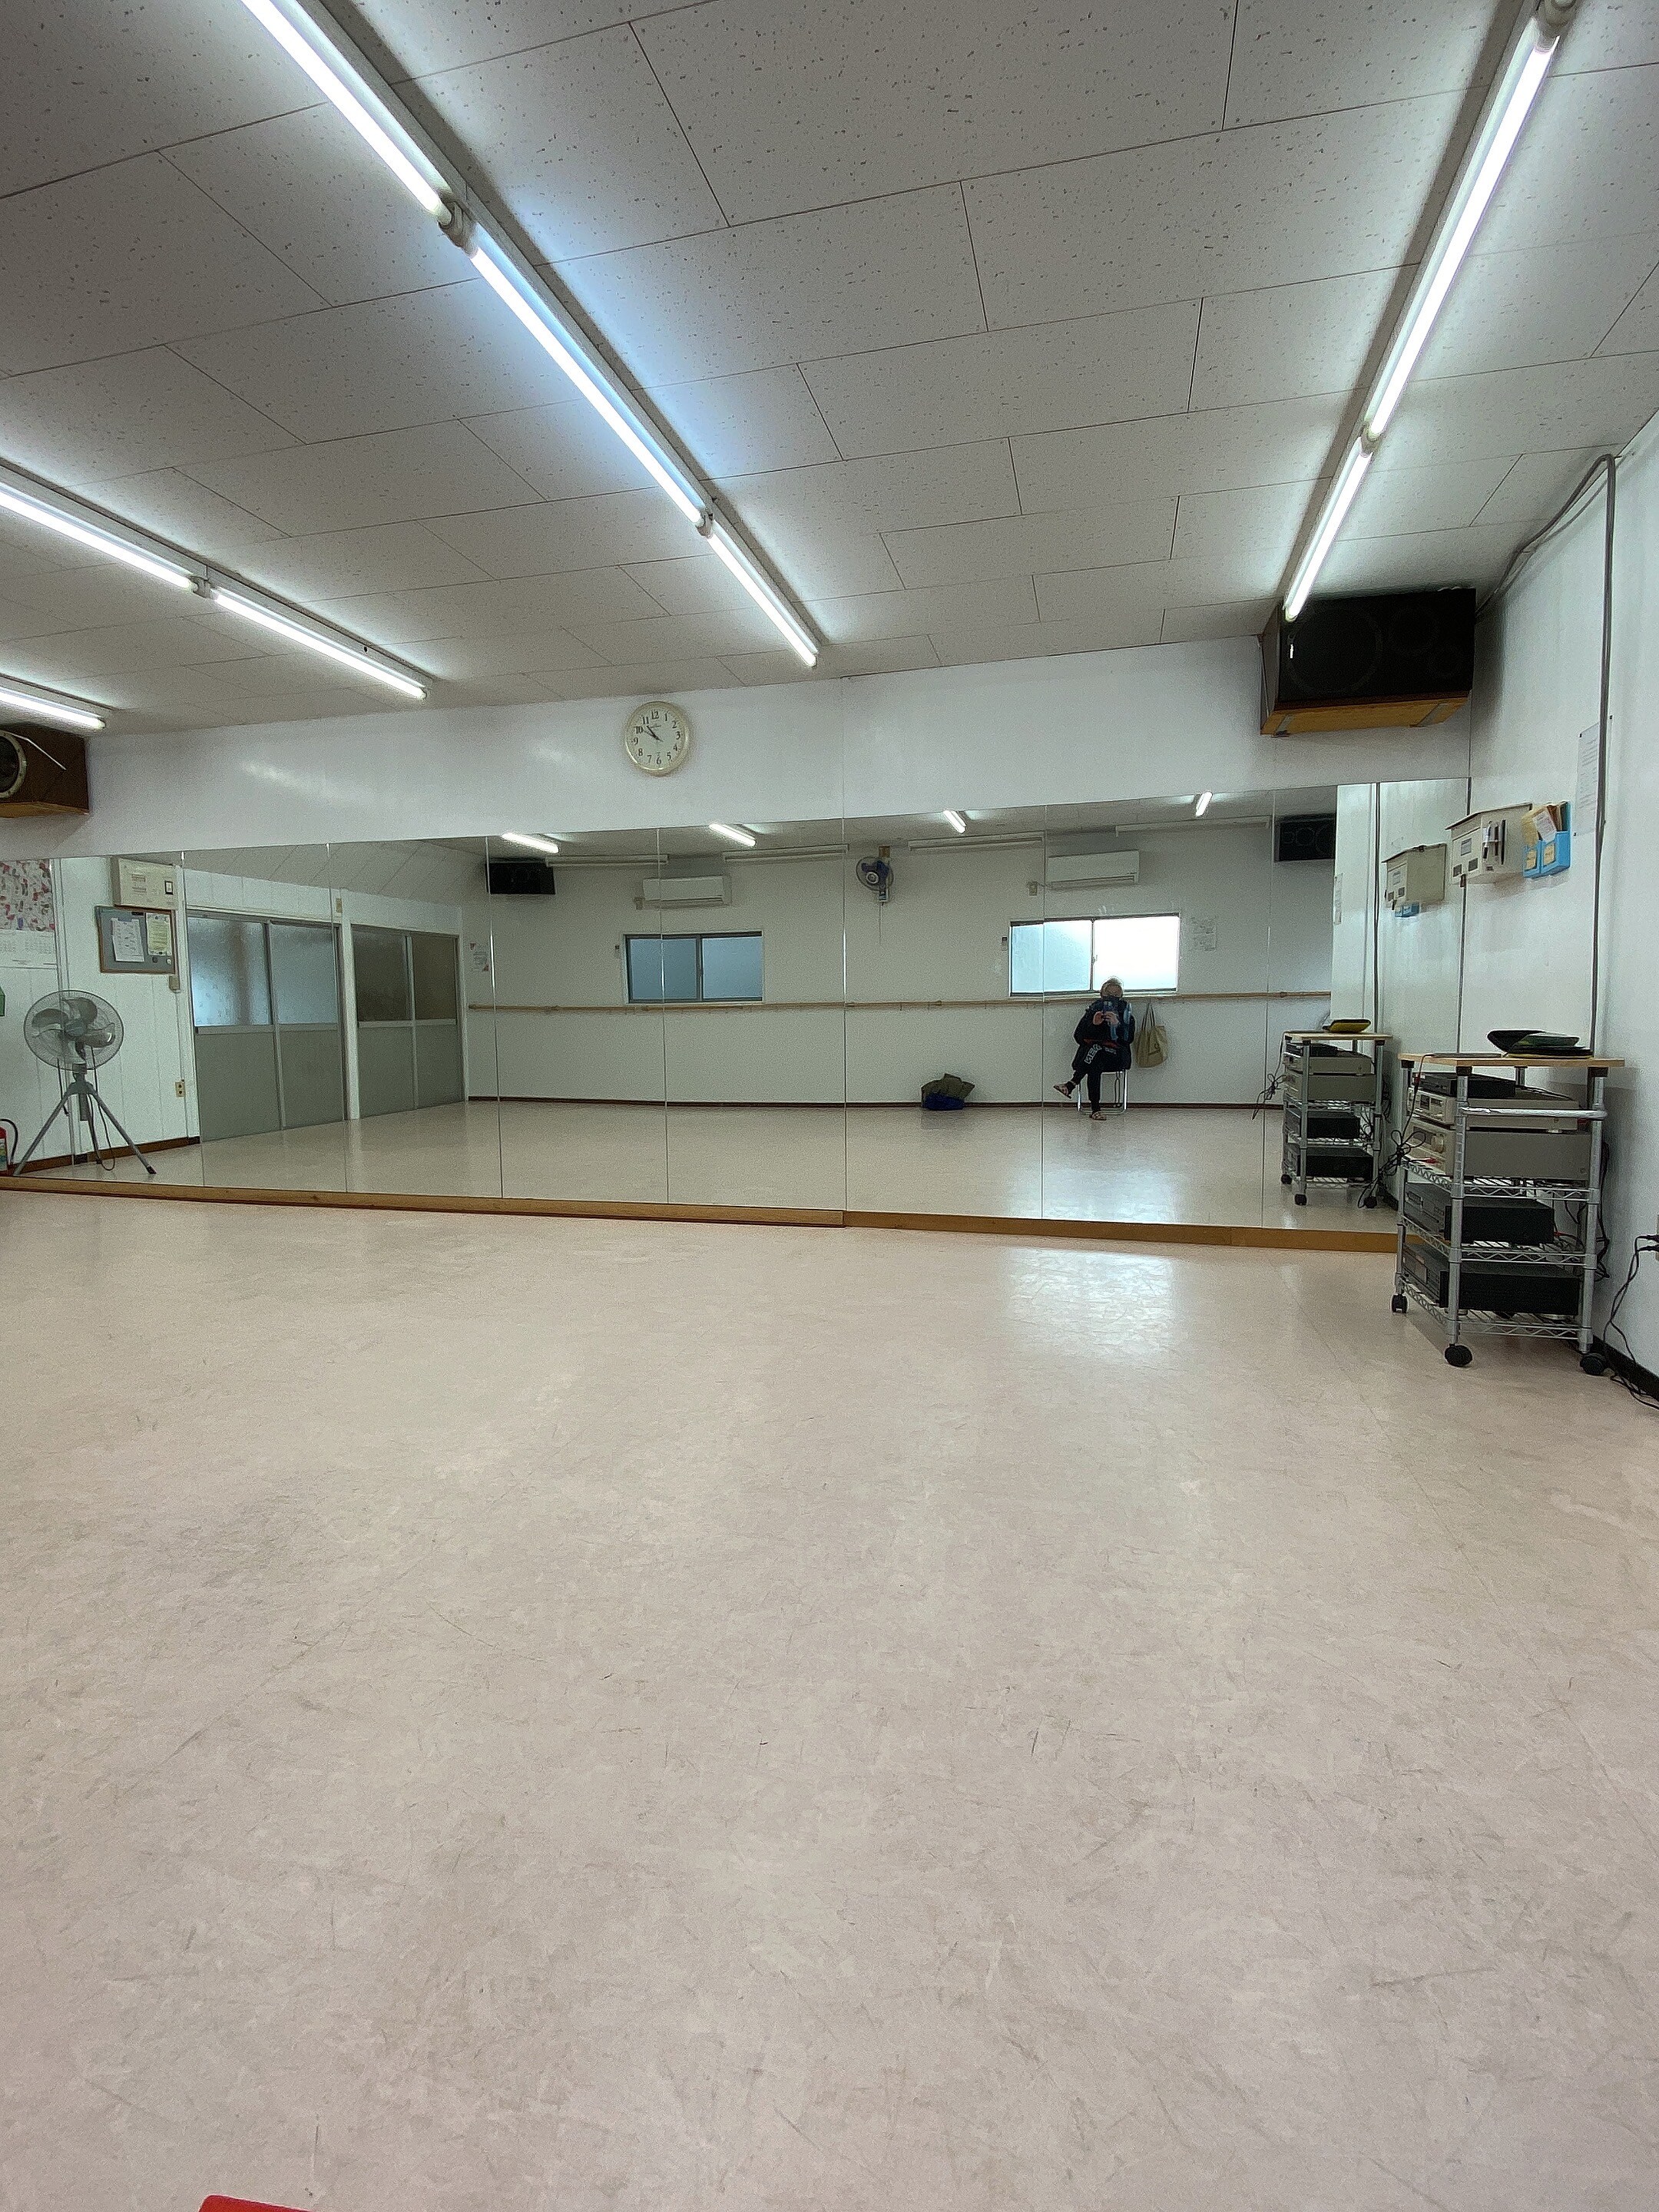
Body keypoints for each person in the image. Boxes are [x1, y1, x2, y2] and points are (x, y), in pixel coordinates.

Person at [1054, 979, 1135, 1118]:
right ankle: (1095, 1110)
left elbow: (1128, 1039)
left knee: (1095, 1051)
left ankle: (1072, 1084)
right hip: (1094, 1058)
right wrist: (1093, 1024)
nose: (1112, 998)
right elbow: (1078, 1037)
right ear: (1102, 994)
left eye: (1116, 995)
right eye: (1109, 994)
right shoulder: (1093, 1012)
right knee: (1095, 1061)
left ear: (1121, 996)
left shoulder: (1126, 1014)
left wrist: (1117, 1025)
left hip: (1116, 1057)